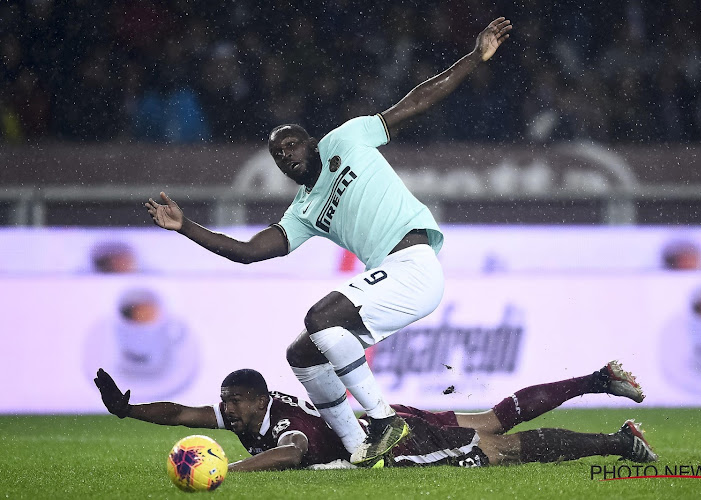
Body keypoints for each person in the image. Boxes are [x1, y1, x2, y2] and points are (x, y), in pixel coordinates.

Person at [144, 17, 514, 466]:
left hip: (414, 263)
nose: (286, 156)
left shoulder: (348, 138)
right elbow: (248, 252)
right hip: (393, 277)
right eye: (278, 155)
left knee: (320, 317)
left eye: (292, 145)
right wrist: (186, 226)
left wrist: (474, 58)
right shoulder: (303, 210)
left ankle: (382, 421)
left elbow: (416, 102)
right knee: (300, 352)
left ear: (313, 142)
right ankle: (359, 448)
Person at [94, 360, 657, 471]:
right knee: (491, 421)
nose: (226, 410)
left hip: (398, 436)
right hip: (382, 417)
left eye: (235, 402)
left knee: (500, 447)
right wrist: (127, 410)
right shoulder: (248, 419)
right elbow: (178, 412)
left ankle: (616, 441)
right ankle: (598, 381)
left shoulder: (283, 428)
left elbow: (291, 452)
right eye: (226, 404)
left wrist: (230, 472)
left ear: (261, 400)